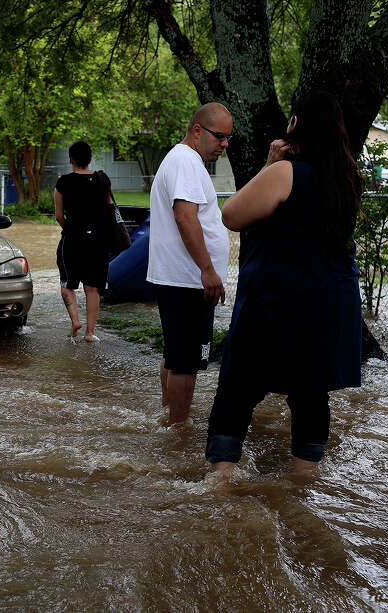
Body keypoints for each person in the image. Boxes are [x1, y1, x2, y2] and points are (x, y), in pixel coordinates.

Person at [206, 90, 362, 477]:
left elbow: (232, 214)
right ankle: (303, 481)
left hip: (279, 298)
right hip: (330, 300)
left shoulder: (286, 172)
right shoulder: (347, 179)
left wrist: (269, 164)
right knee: (311, 390)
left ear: (296, 125)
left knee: (238, 386)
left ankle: (222, 480)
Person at [146, 103, 231, 428]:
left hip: (182, 278)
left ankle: (170, 416)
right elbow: (185, 216)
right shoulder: (185, 161)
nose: (224, 144)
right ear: (198, 130)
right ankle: (178, 429)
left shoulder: (184, 160)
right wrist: (207, 270)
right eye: (220, 137)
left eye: (228, 138)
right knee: (186, 362)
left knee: (176, 353)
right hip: (188, 280)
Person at [54, 140, 114, 341]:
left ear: (71, 159)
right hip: (98, 242)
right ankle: (90, 332)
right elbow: (109, 210)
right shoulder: (103, 180)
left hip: (72, 240)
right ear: (89, 159)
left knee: (67, 284)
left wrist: (70, 229)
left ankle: (75, 321)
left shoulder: (63, 182)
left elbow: (59, 215)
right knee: (92, 287)